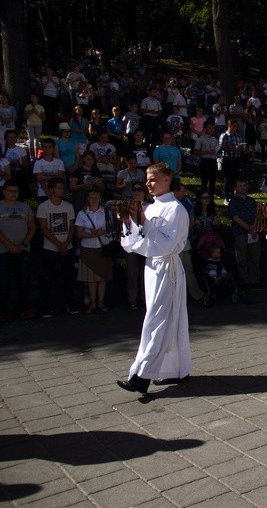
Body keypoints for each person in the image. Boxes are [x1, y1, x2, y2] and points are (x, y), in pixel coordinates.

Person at [116, 163, 191, 394]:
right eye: (147, 180)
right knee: (166, 318)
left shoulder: (176, 209)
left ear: (166, 180)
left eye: (152, 179)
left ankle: (141, 375)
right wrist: (127, 221)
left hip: (167, 266)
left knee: (157, 320)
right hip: (152, 268)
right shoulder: (150, 207)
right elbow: (137, 241)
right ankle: (175, 369)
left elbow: (167, 243)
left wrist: (143, 221)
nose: (147, 184)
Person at [37, 178, 79, 317]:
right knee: (48, 278)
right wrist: (58, 244)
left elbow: (72, 227)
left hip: (68, 247)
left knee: (68, 277)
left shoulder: (68, 206)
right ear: (52, 189)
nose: (62, 190)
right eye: (59, 188)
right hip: (50, 248)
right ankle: (47, 308)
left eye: (63, 188)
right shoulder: (43, 207)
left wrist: (66, 244)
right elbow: (43, 228)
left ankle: (70, 305)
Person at [0, 181, 36, 322]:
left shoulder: (24, 206)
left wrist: (23, 244)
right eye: (10, 190)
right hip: (3, 250)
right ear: (4, 191)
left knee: (24, 280)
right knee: (4, 282)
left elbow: (32, 228)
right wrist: (9, 245)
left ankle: (25, 309)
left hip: (23, 249)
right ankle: (2, 311)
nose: (13, 193)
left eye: (16, 191)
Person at [75, 190, 113, 313]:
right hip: (88, 247)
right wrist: (93, 234)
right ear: (88, 199)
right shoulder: (82, 213)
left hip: (102, 247)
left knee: (102, 277)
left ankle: (101, 302)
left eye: (96, 197)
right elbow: (79, 233)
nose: (94, 199)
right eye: (92, 197)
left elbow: (111, 228)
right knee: (91, 278)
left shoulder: (106, 212)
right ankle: (93, 303)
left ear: (100, 199)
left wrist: (100, 232)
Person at [228, 178, 261, 287]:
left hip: (253, 232)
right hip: (240, 233)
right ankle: (244, 281)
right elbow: (235, 218)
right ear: (236, 188)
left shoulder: (251, 201)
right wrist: (248, 227)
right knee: (241, 257)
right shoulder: (233, 202)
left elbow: (257, 214)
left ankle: (254, 279)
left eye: (244, 185)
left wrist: (255, 227)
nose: (242, 187)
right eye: (240, 185)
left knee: (254, 256)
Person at [125, 184, 148, 311]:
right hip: (132, 244)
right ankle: (132, 300)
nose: (136, 192)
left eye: (139, 189)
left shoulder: (150, 207)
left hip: (146, 243)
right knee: (132, 273)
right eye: (134, 189)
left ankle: (145, 299)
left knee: (145, 273)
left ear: (144, 192)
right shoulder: (127, 207)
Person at [219, 119, 245, 202]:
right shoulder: (224, 135)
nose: (235, 128)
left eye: (236, 126)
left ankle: (233, 195)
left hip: (236, 158)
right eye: (234, 126)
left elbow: (241, 149)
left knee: (235, 177)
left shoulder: (238, 136)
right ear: (229, 126)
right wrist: (233, 149)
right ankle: (226, 196)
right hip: (227, 158)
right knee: (227, 178)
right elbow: (221, 147)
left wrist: (241, 149)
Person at [33, 138, 66, 203]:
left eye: (50, 147)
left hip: (57, 193)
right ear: (42, 148)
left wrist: (44, 177)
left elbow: (60, 177)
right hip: (42, 193)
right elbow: (40, 179)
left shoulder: (60, 162)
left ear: (53, 148)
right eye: (45, 147)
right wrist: (49, 194)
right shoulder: (38, 163)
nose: (47, 149)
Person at [194, 121, 219, 197]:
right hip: (205, 161)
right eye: (209, 128)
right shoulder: (200, 139)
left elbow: (217, 149)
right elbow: (196, 152)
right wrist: (207, 152)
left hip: (213, 161)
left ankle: (211, 198)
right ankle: (202, 197)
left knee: (213, 181)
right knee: (204, 181)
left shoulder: (214, 139)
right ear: (205, 129)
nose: (211, 130)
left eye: (212, 128)